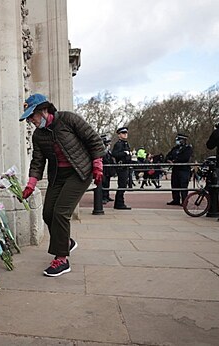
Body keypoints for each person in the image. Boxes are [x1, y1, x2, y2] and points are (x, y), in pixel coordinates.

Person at [19, 93, 105, 277]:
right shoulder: (38, 135)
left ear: (43, 111)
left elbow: (93, 140)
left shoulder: (67, 119)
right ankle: (65, 243)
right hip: (58, 176)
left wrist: (97, 165)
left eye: (31, 116)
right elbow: (37, 161)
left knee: (61, 213)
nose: (31, 121)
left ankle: (62, 259)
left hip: (79, 172)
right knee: (48, 213)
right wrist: (31, 184)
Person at [165, 133, 193, 205]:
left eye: (178, 140)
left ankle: (184, 200)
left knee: (183, 185)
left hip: (184, 170)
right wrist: (168, 160)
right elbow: (168, 156)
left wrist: (174, 161)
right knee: (174, 185)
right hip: (175, 169)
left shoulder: (188, 148)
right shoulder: (175, 148)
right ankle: (176, 199)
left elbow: (185, 158)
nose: (177, 141)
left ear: (183, 140)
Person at [111, 127, 132, 210]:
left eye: (126, 133)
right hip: (121, 167)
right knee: (122, 185)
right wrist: (124, 153)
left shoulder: (125, 143)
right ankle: (119, 203)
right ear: (119, 135)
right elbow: (115, 154)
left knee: (123, 185)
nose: (125, 134)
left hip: (125, 166)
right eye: (123, 133)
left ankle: (119, 203)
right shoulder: (119, 144)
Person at [101, 135, 115, 203]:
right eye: (107, 142)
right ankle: (103, 197)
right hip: (103, 169)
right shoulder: (102, 150)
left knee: (107, 183)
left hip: (108, 169)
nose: (109, 144)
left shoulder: (108, 150)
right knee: (103, 183)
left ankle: (106, 196)